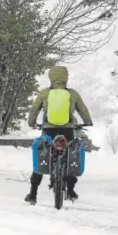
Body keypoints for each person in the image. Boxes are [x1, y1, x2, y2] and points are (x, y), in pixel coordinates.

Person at [25, 66, 93, 204]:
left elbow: (34, 110)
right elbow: (83, 109)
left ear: (51, 78)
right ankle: (71, 190)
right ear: (65, 78)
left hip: (48, 130)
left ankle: (33, 193)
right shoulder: (72, 94)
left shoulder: (45, 93)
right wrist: (87, 122)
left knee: (42, 154)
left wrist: (32, 122)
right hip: (67, 130)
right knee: (70, 156)